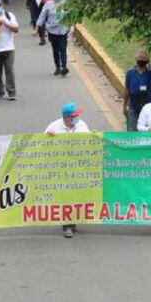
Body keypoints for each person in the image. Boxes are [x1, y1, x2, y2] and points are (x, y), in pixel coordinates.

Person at [46, 102, 91, 238]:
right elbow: (42, 144)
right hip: (61, 167)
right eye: (74, 116)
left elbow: (89, 142)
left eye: (77, 115)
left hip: (78, 167)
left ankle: (73, 219)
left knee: (76, 194)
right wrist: (48, 136)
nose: (77, 117)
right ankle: (66, 225)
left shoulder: (82, 125)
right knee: (65, 195)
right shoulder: (54, 126)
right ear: (66, 117)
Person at [36, 0, 70, 76]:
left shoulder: (66, 4)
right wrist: (37, 26)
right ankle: (57, 67)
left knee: (63, 48)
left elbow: (70, 16)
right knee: (55, 49)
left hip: (63, 30)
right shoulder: (48, 4)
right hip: (52, 30)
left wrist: (72, 28)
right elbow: (42, 16)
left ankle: (64, 67)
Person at [124, 50, 151, 131]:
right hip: (133, 106)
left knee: (147, 130)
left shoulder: (150, 73)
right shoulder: (130, 73)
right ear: (136, 59)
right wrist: (124, 106)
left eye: (144, 58)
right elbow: (127, 90)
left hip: (148, 107)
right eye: (140, 57)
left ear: (147, 60)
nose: (142, 59)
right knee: (133, 131)